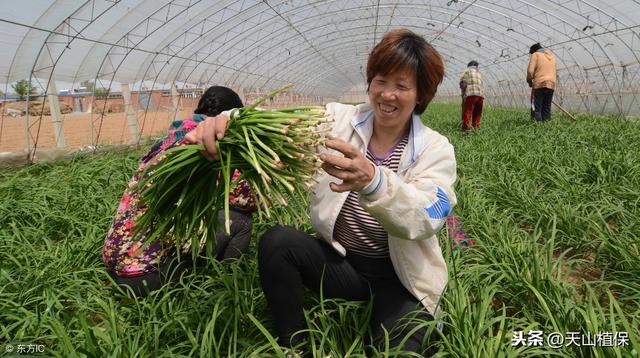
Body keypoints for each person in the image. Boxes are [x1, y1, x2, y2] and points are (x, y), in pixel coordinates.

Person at [185, 29, 457, 356]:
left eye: (402, 86)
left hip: (399, 278)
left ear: (421, 95)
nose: (387, 95)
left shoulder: (435, 149)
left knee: (401, 350)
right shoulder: (338, 119)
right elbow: (271, 121)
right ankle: (296, 347)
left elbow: (428, 215)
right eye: (381, 81)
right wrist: (227, 121)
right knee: (278, 242)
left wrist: (374, 180)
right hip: (344, 263)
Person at [102, 86, 256, 297]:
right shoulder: (208, 143)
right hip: (146, 277)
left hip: (115, 260)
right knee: (241, 219)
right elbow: (247, 200)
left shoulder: (172, 138)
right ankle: (227, 285)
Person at [527, 43, 557, 122]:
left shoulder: (536, 55)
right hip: (551, 84)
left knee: (537, 108)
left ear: (533, 51)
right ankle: (546, 125)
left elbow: (530, 71)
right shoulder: (552, 56)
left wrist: (529, 81)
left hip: (539, 83)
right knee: (546, 107)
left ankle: (538, 126)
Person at [459, 60, 484, 132]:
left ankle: (466, 130)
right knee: (477, 113)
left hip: (470, 94)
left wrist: (463, 94)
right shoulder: (479, 73)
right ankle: (476, 129)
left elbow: (463, 83)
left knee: (468, 112)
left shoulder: (467, 71)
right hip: (480, 96)